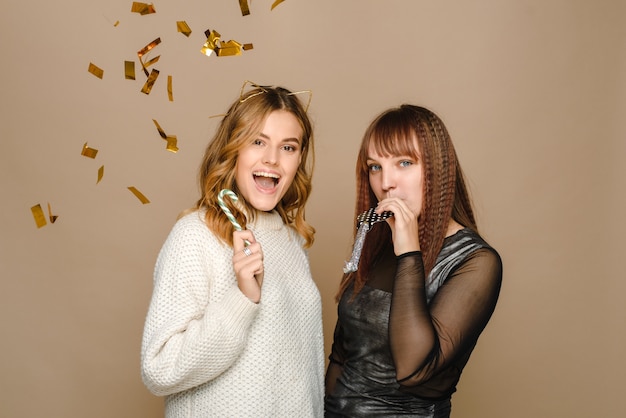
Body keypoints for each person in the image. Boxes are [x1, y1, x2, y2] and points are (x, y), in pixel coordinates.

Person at [141, 83, 324, 417]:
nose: (272, 158)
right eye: (258, 141)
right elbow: (159, 369)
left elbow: (301, 378)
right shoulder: (195, 234)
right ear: (233, 148)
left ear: (299, 158)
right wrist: (242, 299)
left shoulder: (292, 242)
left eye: (288, 147)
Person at [324, 105, 503, 417]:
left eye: (403, 163)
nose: (386, 183)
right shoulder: (377, 236)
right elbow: (341, 355)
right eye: (375, 167)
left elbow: (412, 369)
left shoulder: (476, 261)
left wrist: (408, 253)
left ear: (436, 168)